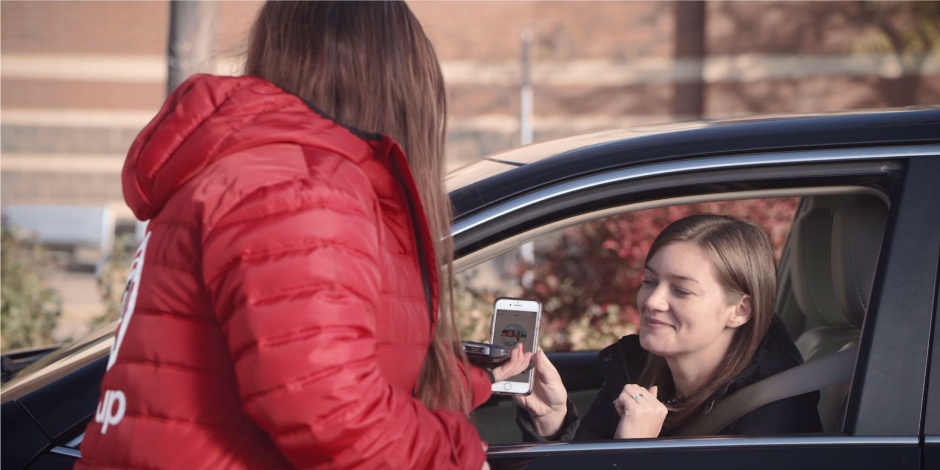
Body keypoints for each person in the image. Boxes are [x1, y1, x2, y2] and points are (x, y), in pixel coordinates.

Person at [75, 2, 530, 469]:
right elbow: (327, 409)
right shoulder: (300, 186)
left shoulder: (265, 174)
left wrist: (481, 380)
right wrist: (458, 457)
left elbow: (318, 362)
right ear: (394, 79)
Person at [515, 214, 823, 441]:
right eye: (649, 281)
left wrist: (635, 452)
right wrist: (553, 423)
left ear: (739, 310)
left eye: (681, 290)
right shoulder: (637, 369)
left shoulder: (771, 421)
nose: (653, 301)